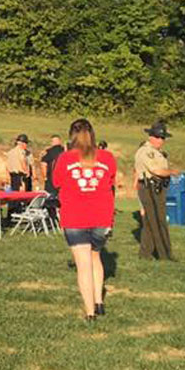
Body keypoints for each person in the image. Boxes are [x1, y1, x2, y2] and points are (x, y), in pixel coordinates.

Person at [53, 118, 117, 320]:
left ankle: (90, 312)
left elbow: (56, 182)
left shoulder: (65, 158)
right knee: (95, 256)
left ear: (71, 136)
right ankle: (99, 301)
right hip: (102, 216)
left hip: (74, 216)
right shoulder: (107, 157)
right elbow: (111, 182)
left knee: (83, 264)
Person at [135, 122, 176, 261]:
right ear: (151, 137)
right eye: (158, 137)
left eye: (163, 138)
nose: (161, 140)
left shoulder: (157, 152)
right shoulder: (147, 152)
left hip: (157, 187)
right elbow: (156, 170)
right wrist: (172, 172)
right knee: (158, 221)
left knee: (150, 221)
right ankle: (164, 254)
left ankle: (145, 253)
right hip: (150, 187)